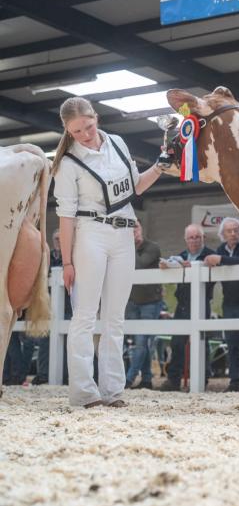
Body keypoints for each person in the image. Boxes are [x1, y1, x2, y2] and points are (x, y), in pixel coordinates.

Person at [52, 96, 163, 408]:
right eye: (77, 132)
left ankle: (113, 391)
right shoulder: (68, 162)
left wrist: (160, 166)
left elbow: (136, 187)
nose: (85, 134)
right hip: (90, 233)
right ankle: (84, 393)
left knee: (115, 317)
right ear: (67, 131)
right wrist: (68, 260)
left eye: (88, 126)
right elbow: (66, 216)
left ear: (95, 117)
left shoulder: (117, 142)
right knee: (85, 316)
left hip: (124, 232)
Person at [159, 224, 216, 392]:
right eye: (190, 237)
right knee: (176, 342)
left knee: (202, 342)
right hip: (182, 304)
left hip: (202, 303)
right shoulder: (180, 257)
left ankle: (202, 379)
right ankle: (173, 380)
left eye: (197, 237)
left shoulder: (210, 255)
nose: (194, 240)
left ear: (203, 238)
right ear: (185, 240)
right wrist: (166, 267)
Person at [203, 218, 239, 392]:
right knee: (231, 344)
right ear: (222, 234)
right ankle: (234, 381)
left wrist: (220, 260)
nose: (233, 233)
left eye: (236, 230)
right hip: (229, 303)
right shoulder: (220, 249)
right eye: (229, 231)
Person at [124, 220, 162, 390]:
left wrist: (128, 245)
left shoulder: (152, 247)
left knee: (141, 342)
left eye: (135, 227)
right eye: (129, 228)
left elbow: (139, 265)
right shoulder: (124, 249)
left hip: (150, 302)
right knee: (141, 343)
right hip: (132, 301)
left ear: (141, 228)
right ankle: (146, 379)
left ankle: (128, 379)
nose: (133, 231)